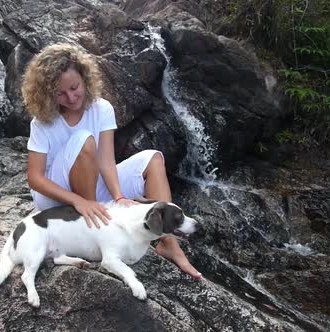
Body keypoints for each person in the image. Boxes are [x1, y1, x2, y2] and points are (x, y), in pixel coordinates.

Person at [21, 43, 201, 279]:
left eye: (75, 87)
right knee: (84, 140)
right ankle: (92, 228)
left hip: (92, 187)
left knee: (153, 159)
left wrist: (119, 197)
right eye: (60, 93)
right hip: (57, 197)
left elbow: (106, 161)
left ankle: (167, 241)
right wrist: (78, 201)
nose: (71, 97)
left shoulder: (101, 108)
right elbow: (34, 178)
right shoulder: (42, 122)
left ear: (85, 78)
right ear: (47, 92)